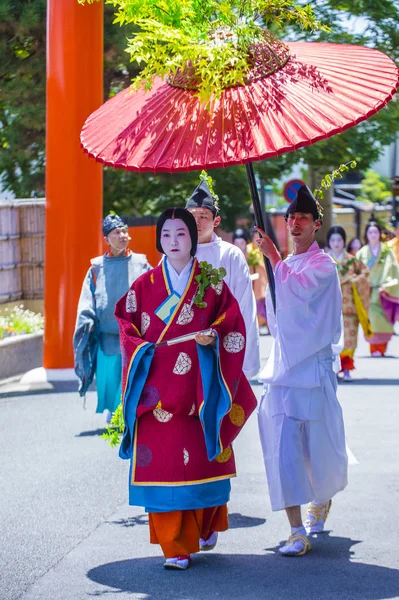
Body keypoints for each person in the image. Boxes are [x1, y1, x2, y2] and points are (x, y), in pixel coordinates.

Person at [115, 207, 257, 570]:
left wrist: (215, 333)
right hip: (156, 394)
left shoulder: (210, 282)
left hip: (200, 391)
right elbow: (126, 326)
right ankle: (175, 546)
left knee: (201, 463)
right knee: (163, 467)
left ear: (193, 238)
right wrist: (142, 350)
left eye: (181, 234)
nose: (173, 241)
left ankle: (206, 525)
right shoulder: (143, 286)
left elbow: (232, 322)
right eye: (166, 235)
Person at [255, 185, 348, 557]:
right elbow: (277, 320)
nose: (294, 223)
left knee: (318, 449)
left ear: (316, 224)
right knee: (284, 450)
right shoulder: (283, 265)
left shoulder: (323, 264)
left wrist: (275, 260)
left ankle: (321, 498)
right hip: (283, 370)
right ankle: (295, 529)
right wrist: (275, 263)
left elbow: (304, 296)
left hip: (312, 369)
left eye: (303, 218)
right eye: (290, 218)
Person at [73, 214, 150, 422]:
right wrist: (86, 321)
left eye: (125, 231)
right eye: (117, 232)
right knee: (109, 377)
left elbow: (153, 291)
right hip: (107, 334)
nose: (123, 235)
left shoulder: (141, 263)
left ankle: (127, 412)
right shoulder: (96, 268)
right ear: (106, 238)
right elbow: (87, 299)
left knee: (131, 374)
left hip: (134, 334)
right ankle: (114, 412)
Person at [186, 178, 260, 379]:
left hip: (222, 342)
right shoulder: (175, 254)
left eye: (204, 216)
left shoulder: (231, 254)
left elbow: (243, 304)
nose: (198, 222)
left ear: (215, 220)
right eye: (192, 216)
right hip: (183, 344)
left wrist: (220, 335)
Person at [326, 226, 371, 382]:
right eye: (333, 240)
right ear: (329, 242)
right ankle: (334, 368)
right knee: (331, 340)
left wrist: (354, 281)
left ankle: (346, 369)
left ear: (344, 241)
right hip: (330, 308)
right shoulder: (325, 260)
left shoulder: (352, 259)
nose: (336, 243)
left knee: (349, 339)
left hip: (349, 307)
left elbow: (365, 273)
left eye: (339, 240)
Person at [356, 222, 399, 356]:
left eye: (375, 232)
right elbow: (356, 271)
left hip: (383, 290)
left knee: (384, 321)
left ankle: (381, 347)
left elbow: (393, 268)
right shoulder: (362, 252)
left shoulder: (387, 251)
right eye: (370, 232)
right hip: (368, 291)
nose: (373, 235)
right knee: (371, 319)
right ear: (366, 235)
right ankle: (374, 347)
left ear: (380, 234)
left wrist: (386, 284)